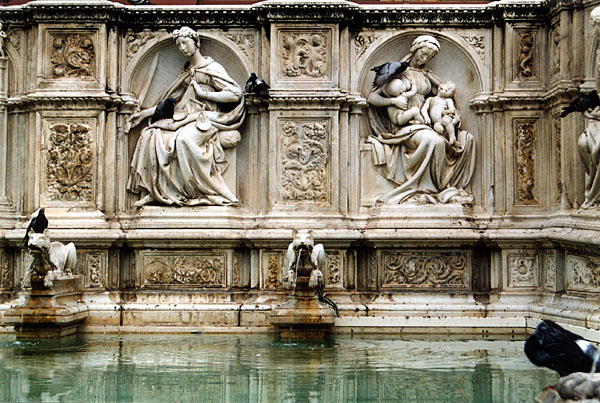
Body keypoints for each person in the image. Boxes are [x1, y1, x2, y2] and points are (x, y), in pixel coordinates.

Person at [125, 27, 245, 207]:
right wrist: (144, 114)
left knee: (183, 140)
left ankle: (197, 191)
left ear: (196, 42)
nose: (182, 48)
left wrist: (206, 96)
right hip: (184, 116)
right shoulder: (187, 72)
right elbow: (172, 102)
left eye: (184, 42)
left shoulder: (211, 68)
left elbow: (235, 94)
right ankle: (157, 191)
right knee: (149, 135)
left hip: (205, 118)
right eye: (179, 45)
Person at [366, 35, 475, 204]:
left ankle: (434, 187)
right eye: (423, 54)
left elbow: (444, 95)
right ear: (415, 50)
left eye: (430, 57)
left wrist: (452, 116)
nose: (425, 59)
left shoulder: (426, 76)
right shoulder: (399, 73)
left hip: (423, 122)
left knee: (453, 139)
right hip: (403, 124)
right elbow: (372, 97)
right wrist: (392, 101)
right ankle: (426, 189)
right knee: (433, 141)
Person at [421, 81, 460, 148]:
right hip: (436, 122)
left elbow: (453, 110)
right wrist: (426, 117)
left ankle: (452, 137)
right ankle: (447, 140)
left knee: (446, 120)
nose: (449, 92)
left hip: (444, 118)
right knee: (438, 128)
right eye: (448, 88)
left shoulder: (447, 100)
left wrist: (446, 112)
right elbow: (424, 109)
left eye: (451, 91)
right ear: (440, 87)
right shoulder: (431, 99)